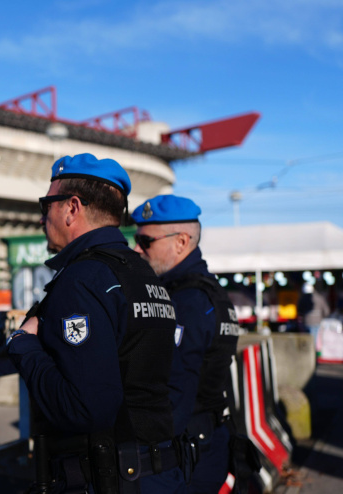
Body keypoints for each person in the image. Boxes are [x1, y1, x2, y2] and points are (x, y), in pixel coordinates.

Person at [6, 153, 182, 493]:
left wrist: (23, 345)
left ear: (72, 208)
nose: (43, 218)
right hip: (160, 472)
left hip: (110, 478)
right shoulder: (143, 273)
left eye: (47, 205)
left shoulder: (82, 280)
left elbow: (84, 409)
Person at [132, 195, 241, 493]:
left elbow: (169, 393)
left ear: (181, 242)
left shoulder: (186, 302)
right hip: (206, 441)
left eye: (145, 241)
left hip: (185, 455)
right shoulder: (209, 293)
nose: (136, 248)